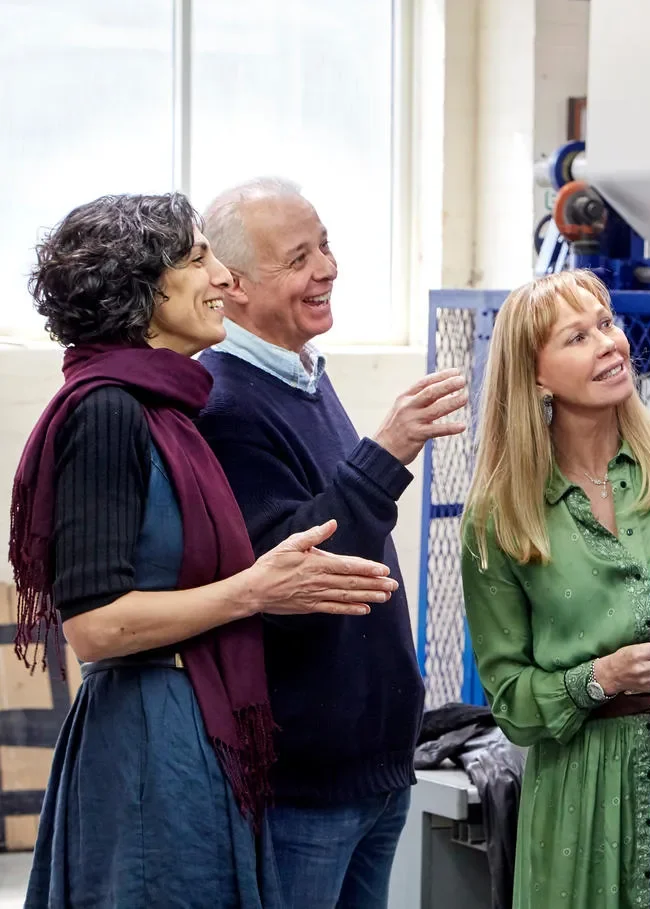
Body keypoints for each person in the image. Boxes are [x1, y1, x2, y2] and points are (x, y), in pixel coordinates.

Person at [10, 192, 399, 908]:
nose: (222, 276)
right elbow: (94, 625)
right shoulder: (107, 410)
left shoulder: (166, 405)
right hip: (148, 738)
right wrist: (255, 590)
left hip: (194, 721)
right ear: (141, 289)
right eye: (197, 259)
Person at [194, 176, 467, 907]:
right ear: (234, 285)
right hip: (306, 785)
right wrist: (386, 452)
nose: (327, 268)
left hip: (372, 768)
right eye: (298, 259)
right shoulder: (225, 404)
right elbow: (293, 574)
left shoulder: (303, 375)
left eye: (325, 246)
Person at [460, 269, 650, 908]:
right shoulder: (500, 513)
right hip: (580, 791)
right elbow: (510, 702)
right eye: (577, 337)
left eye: (607, 324)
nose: (609, 344)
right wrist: (601, 677)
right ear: (535, 377)